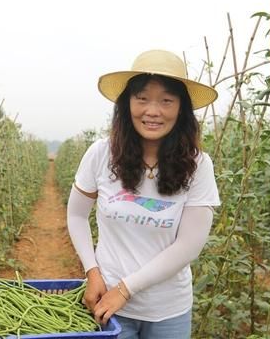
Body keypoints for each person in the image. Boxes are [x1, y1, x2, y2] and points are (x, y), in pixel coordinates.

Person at [67, 49, 220, 339]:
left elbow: (189, 245)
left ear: (181, 109)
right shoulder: (102, 154)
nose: (153, 111)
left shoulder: (198, 165)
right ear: (127, 104)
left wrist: (126, 289)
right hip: (109, 304)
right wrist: (92, 271)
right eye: (142, 99)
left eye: (166, 100)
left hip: (169, 310)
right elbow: (76, 215)